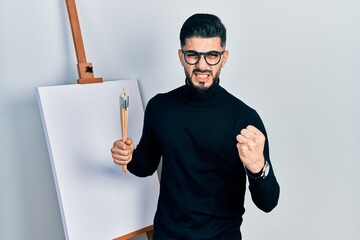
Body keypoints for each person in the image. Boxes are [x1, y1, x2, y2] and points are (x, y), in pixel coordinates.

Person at [111, 13, 280, 240]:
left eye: (212, 55)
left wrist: (259, 168)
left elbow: (268, 203)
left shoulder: (245, 119)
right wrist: (129, 156)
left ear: (224, 57)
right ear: (181, 56)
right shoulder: (159, 107)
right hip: (167, 234)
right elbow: (146, 166)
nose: (202, 65)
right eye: (193, 55)